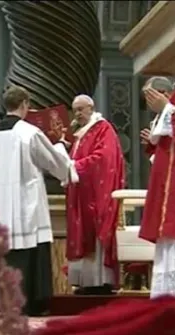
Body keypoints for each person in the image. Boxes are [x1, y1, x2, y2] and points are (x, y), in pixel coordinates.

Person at [0, 85, 77, 315]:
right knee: (29, 245)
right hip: (26, 200)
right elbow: (52, 161)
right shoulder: (29, 133)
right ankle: (31, 301)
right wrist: (63, 155)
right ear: (25, 104)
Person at [65, 95, 125, 296]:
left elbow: (104, 158)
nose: (78, 114)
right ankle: (84, 282)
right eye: (75, 110)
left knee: (96, 229)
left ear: (91, 108)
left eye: (81, 109)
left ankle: (100, 281)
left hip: (97, 192)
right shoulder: (81, 133)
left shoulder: (102, 128)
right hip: (81, 190)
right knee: (80, 232)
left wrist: (76, 166)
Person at [139, 76, 175, 299]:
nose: (149, 104)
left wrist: (167, 109)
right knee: (167, 246)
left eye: (150, 97)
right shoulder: (167, 112)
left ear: (162, 93)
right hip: (166, 188)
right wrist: (153, 145)